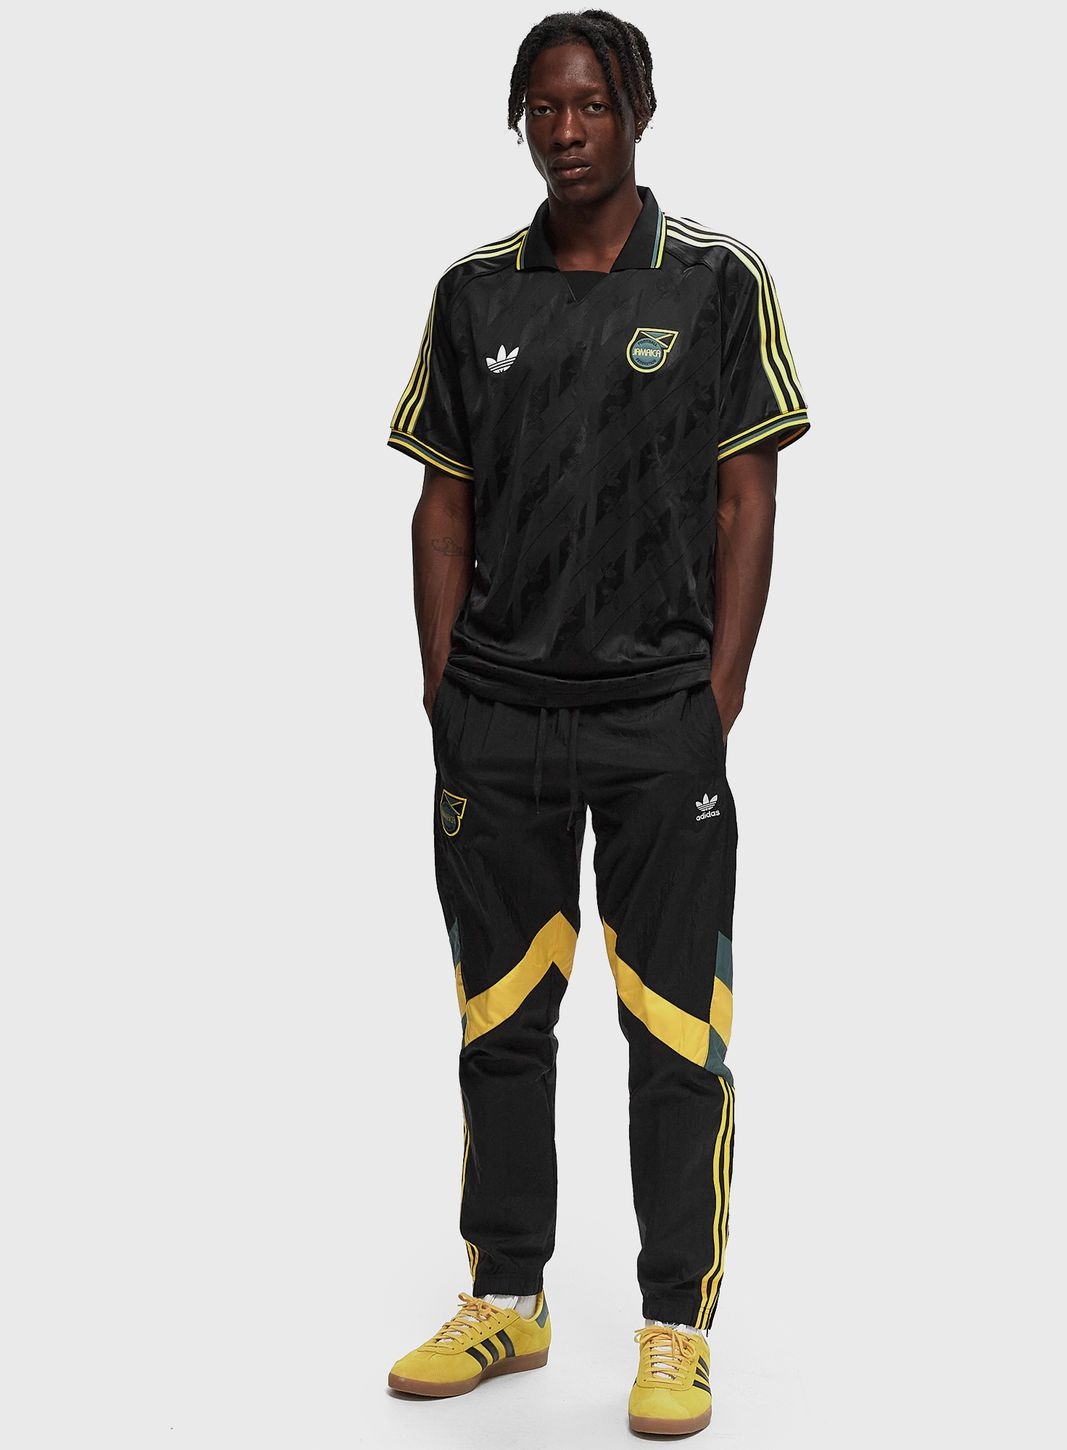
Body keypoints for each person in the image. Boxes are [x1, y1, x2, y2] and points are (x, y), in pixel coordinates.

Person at [385, 8, 809, 1436]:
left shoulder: (715, 282)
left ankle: (674, 1325)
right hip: (497, 720)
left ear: (638, 113)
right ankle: (507, 1298)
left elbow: (748, 499)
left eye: (591, 105)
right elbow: (441, 504)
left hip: (656, 723)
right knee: (500, 1024)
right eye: (544, 107)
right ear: (519, 118)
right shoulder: (471, 295)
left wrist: (717, 695)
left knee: (676, 1036)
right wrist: (445, 692)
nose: (566, 131)